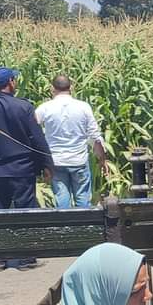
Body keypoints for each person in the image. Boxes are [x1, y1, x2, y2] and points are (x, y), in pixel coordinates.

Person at [0, 66, 55, 270]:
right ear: (10, 82)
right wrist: (46, 163)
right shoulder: (24, 107)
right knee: (25, 213)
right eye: (14, 79)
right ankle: (26, 257)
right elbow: (36, 138)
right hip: (22, 170)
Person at [35, 73, 109, 208]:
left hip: (56, 161)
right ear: (71, 88)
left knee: (62, 200)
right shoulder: (83, 107)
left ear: (52, 89)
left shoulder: (45, 108)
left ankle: (66, 222)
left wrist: (41, 161)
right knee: (83, 200)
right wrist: (102, 159)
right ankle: (83, 221)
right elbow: (95, 136)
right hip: (79, 160)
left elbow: (32, 129)